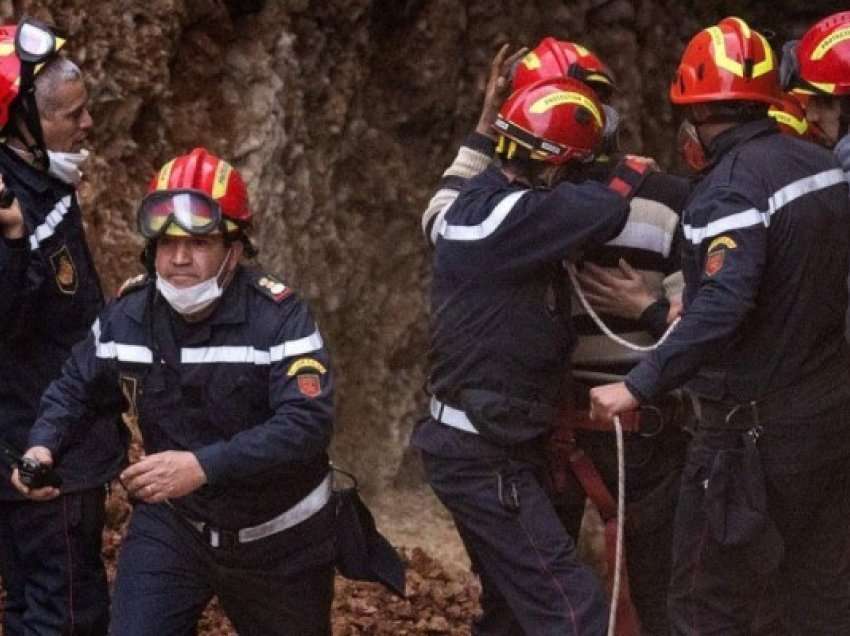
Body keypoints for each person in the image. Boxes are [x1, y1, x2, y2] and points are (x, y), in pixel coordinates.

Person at [590, 16, 850, 634]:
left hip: (749, 438)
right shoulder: (820, 164)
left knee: (707, 602)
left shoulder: (725, 191)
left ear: (696, 119)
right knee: (819, 594)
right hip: (829, 419)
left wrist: (637, 384)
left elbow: (727, 304)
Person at [421, 39, 691, 635]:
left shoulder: (485, 203)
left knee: (540, 604)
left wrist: (483, 130)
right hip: (548, 435)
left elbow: (703, 325)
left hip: (587, 433)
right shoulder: (623, 202)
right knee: (563, 606)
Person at [14, 148, 338, 635]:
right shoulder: (129, 314)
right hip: (177, 525)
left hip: (279, 531)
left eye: (199, 243)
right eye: (167, 243)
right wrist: (42, 444)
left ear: (235, 247)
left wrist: (201, 467)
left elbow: (306, 424)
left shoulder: (279, 317)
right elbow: (75, 388)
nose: (179, 258)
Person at [0, 18, 121, 635]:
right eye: (70, 114)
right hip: (42, 450)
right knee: (64, 612)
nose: (87, 125)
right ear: (22, 119)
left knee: (34, 607)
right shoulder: (10, 204)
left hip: (56, 437)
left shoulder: (45, 179)